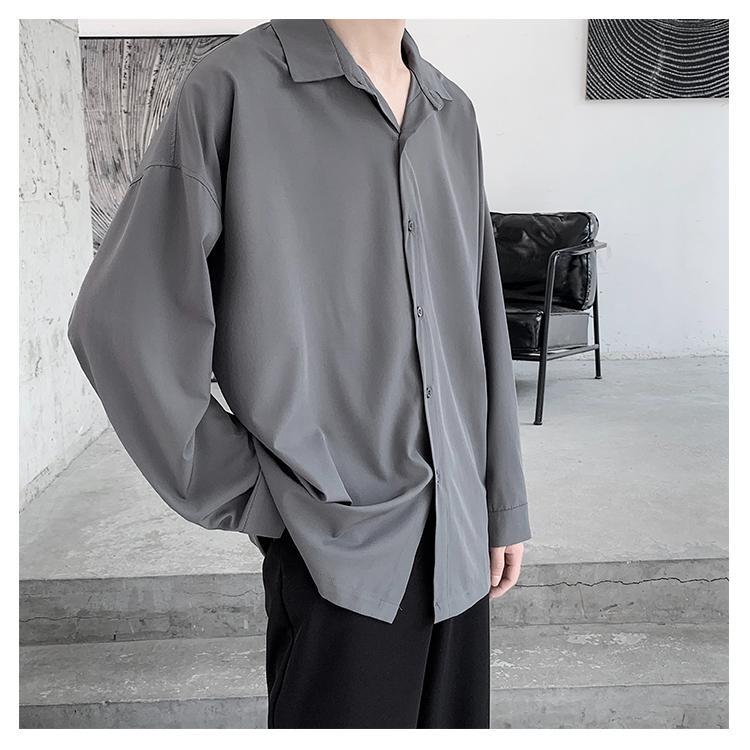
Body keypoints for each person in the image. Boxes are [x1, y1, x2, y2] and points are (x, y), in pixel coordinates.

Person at [68, 19, 530, 729]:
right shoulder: (231, 89)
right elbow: (120, 325)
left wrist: (500, 500)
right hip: (335, 551)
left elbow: (478, 316)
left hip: (461, 540)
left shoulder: (451, 112)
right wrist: (253, 490)